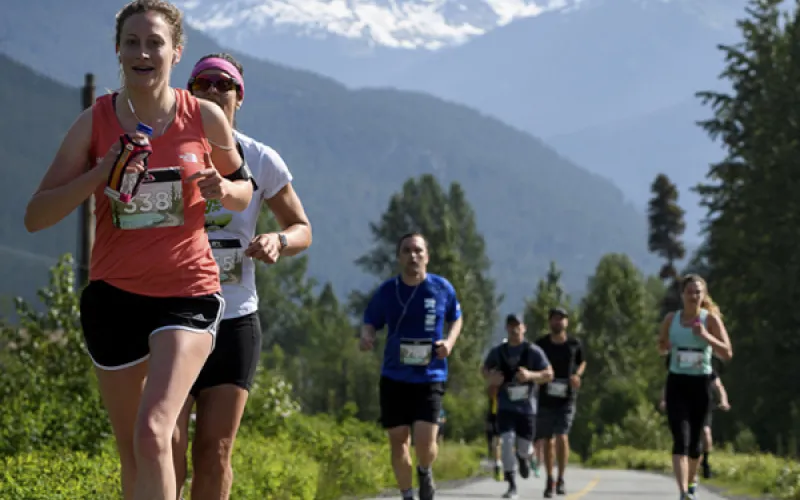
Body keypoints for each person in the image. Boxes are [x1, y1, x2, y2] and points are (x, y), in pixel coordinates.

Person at [23, 2, 255, 499]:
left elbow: (243, 189)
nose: (143, 52)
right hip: (114, 299)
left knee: (154, 432)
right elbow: (36, 215)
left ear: (176, 51)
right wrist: (96, 174)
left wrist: (221, 188)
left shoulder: (204, 116)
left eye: (154, 42)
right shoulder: (96, 121)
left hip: (187, 294)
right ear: (117, 50)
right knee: (134, 451)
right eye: (132, 42)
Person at [172, 53, 312, 500]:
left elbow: (302, 228)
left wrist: (277, 241)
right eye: (203, 84)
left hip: (233, 319)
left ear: (239, 97)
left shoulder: (260, 158)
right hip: (170, 315)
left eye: (223, 84)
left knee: (214, 453)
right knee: (166, 444)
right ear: (189, 94)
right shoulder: (165, 148)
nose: (213, 92)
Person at [359, 232, 464, 500]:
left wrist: (449, 343)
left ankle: (424, 469)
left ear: (427, 256)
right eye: (406, 251)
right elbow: (370, 320)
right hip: (394, 375)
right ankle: (407, 494)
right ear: (399, 257)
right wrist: (367, 335)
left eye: (418, 251)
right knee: (398, 440)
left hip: (430, 375)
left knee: (426, 441)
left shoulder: (441, 288)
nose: (413, 256)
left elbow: (457, 318)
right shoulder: (387, 291)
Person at [658, 274, 733, 500]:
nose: (694, 296)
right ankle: (682, 492)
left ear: (704, 295)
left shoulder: (709, 319)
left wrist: (706, 336)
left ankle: (691, 482)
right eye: (690, 291)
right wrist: (666, 346)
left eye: (698, 292)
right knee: (680, 439)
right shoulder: (671, 319)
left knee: (695, 444)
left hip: (700, 384)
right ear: (682, 295)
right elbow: (660, 348)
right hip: (677, 383)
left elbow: (727, 353)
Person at [483, 314, 553, 499]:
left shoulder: (533, 351)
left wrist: (530, 376)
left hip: (527, 409)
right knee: (506, 442)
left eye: (518, 326)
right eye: (511, 326)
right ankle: (511, 484)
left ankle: (524, 458)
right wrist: (491, 378)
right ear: (506, 328)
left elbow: (549, 374)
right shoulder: (498, 352)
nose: (514, 329)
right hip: (505, 407)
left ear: (524, 328)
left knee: (524, 447)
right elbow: (484, 369)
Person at [659, 355, 731, 496]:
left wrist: (724, 401)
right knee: (684, 440)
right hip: (684, 406)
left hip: (703, 406)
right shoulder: (678, 371)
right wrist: (663, 400)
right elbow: (667, 386)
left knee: (705, 434)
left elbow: (719, 386)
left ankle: (706, 462)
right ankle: (686, 487)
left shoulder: (708, 371)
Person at [534, 307, 586, 498]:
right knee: (548, 439)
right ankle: (549, 479)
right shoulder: (540, 345)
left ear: (567, 322)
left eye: (561, 319)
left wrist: (577, 375)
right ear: (549, 322)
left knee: (562, 436)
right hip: (546, 397)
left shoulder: (574, 344)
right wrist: (539, 377)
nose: (558, 322)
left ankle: (561, 477)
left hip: (567, 397)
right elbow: (532, 364)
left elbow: (582, 361)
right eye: (555, 319)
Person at [485, 387, 503, 481]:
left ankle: (502, 465)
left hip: (506, 414)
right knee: (495, 443)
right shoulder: (494, 385)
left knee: (500, 442)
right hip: (494, 415)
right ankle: (498, 465)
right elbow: (490, 392)